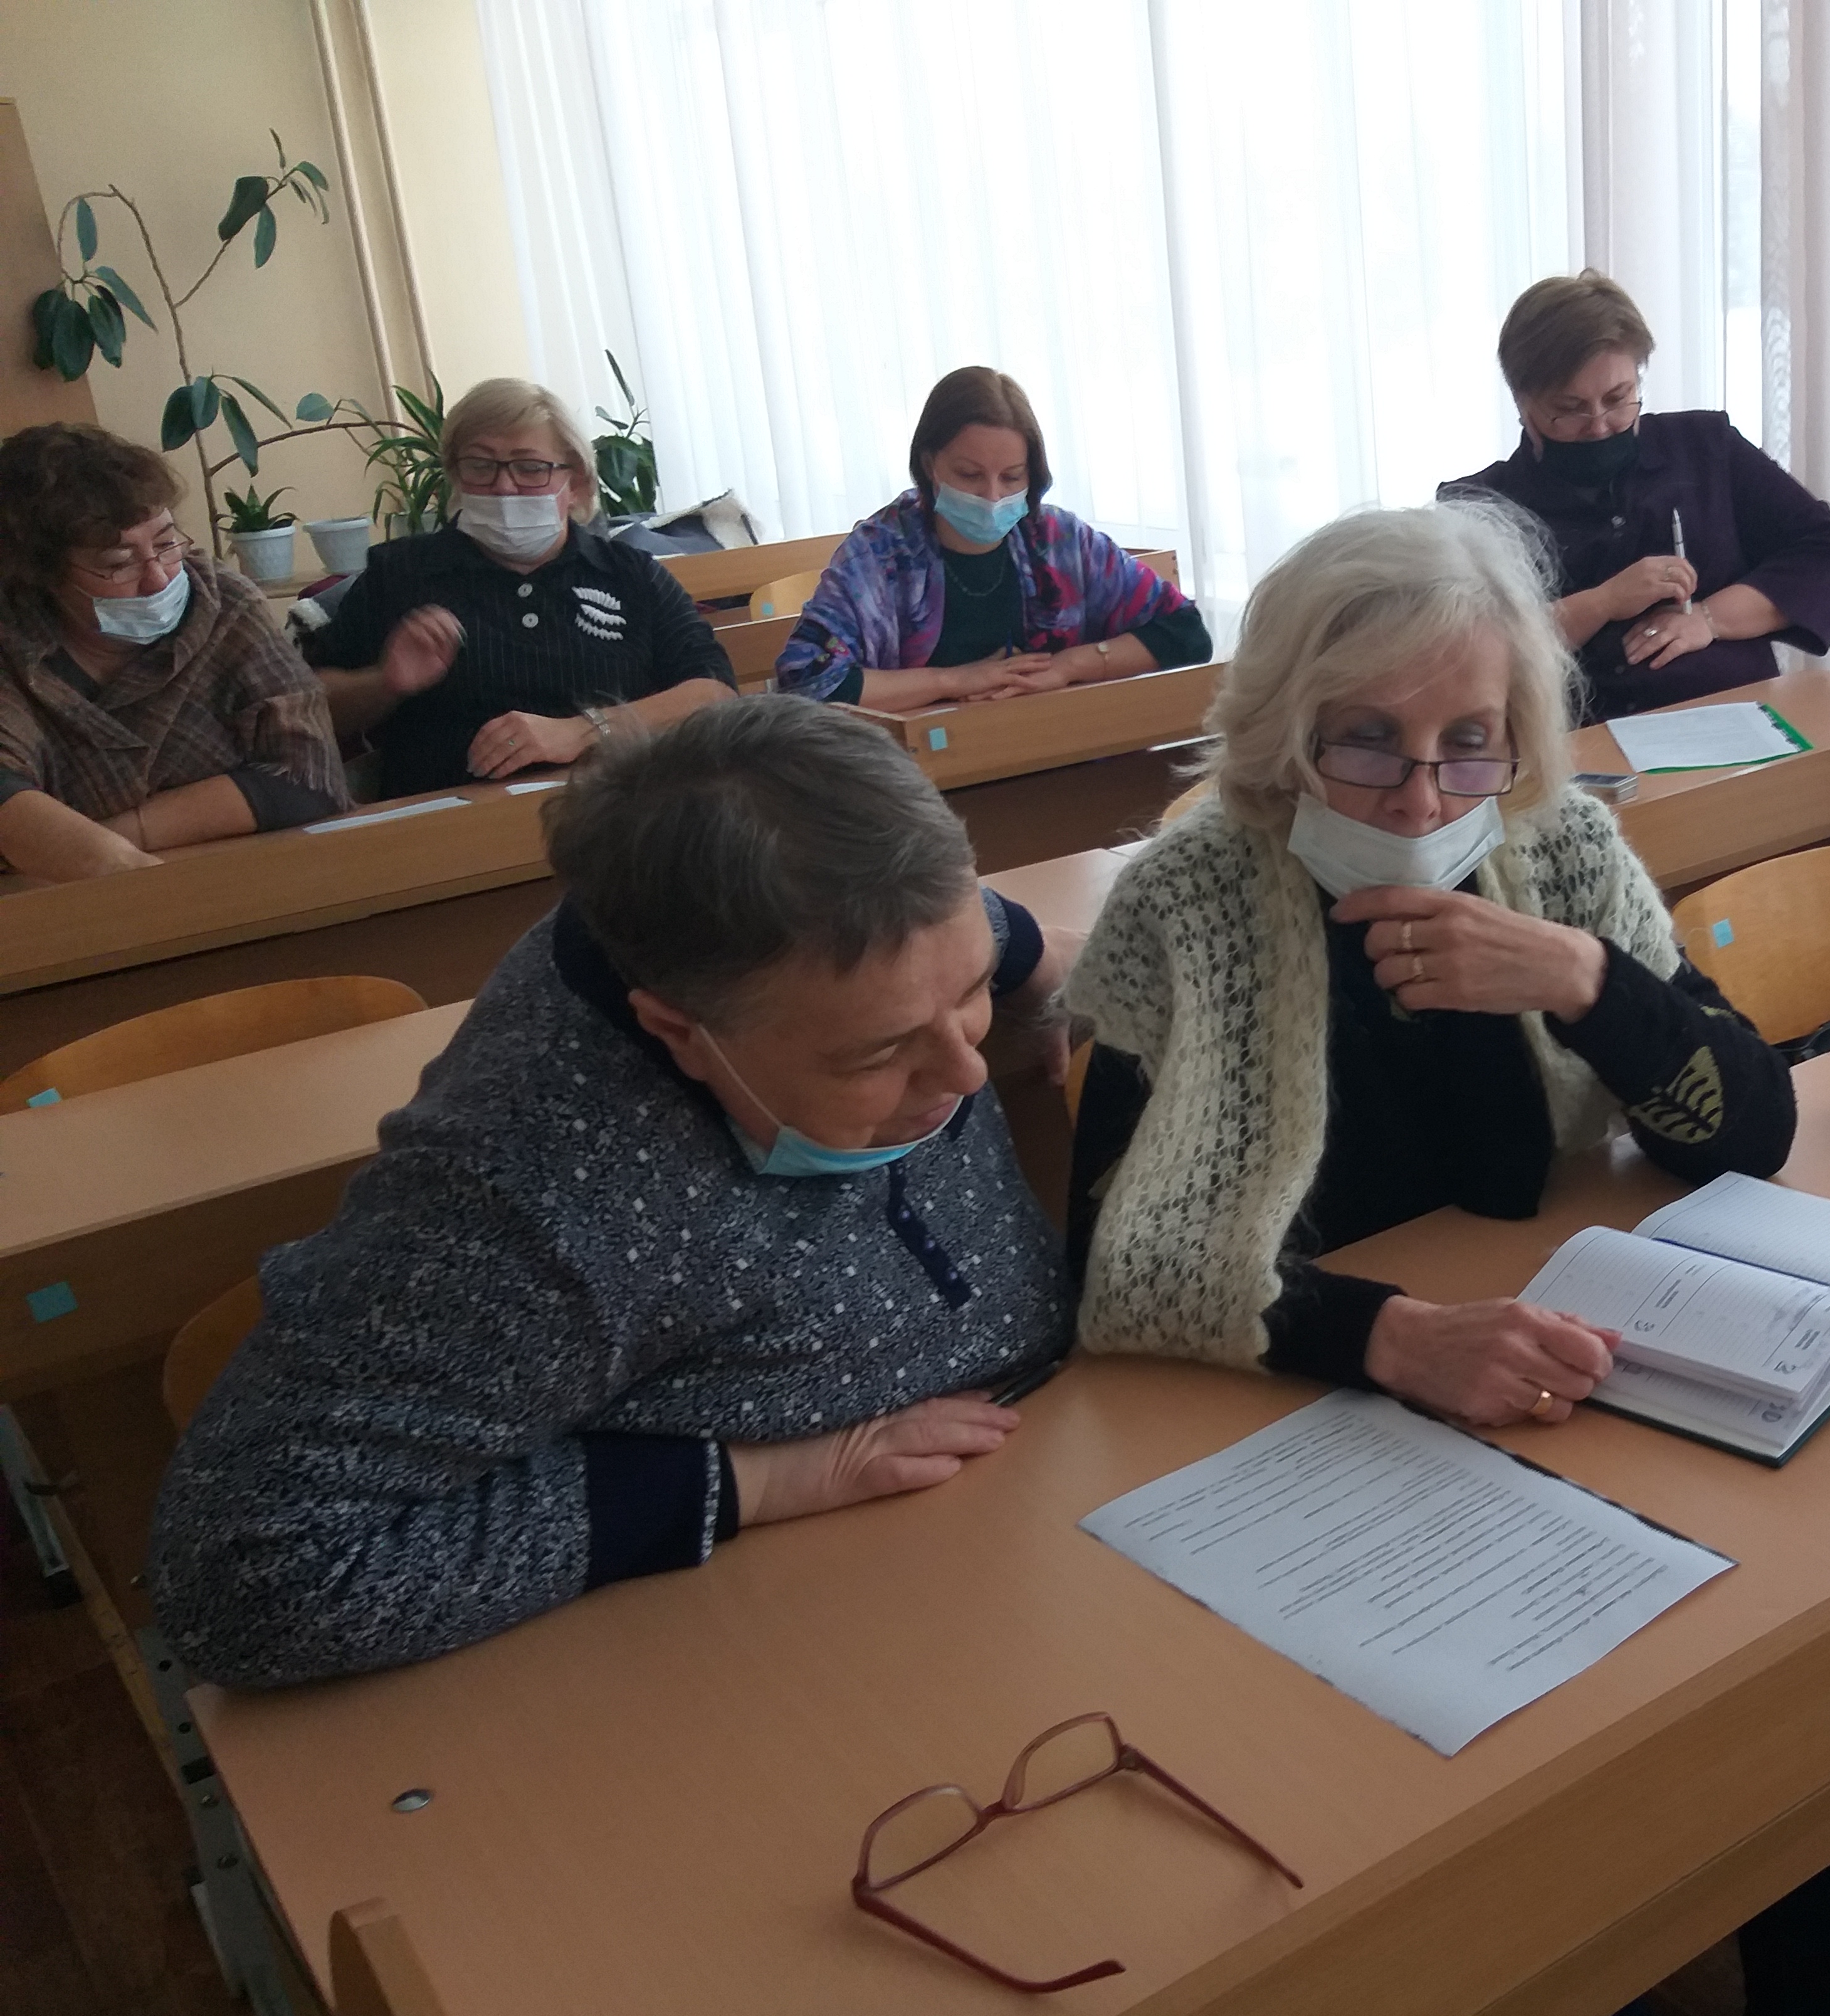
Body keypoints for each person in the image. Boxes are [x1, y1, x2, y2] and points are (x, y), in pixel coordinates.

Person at [1063, 500, 1830, 2016]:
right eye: (1365, 745)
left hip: (1547, 1357)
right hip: (1292, 1409)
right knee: (1508, 1770)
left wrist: (1590, 985)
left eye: (1471, 741)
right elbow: (1116, 1264)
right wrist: (1391, 1338)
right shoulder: (1193, 899)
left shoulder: (1560, 847)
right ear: (1282, 730)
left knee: (1769, 1624)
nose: (1423, 798)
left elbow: (1745, 1129)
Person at [148, 697, 1076, 1690]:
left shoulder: (862, 918)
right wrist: (761, 1481)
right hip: (790, 1622)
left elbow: (973, 940)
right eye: (878, 1055)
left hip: (1052, 1466)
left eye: (968, 991)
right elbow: (247, 1581)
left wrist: (1030, 974)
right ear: (679, 1030)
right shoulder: (529, 1199)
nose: (964, 1073)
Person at [1443, 271, 1830, 721]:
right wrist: (1602, 603)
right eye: (1570, 409)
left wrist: (1709, 620)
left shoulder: (1706, 446)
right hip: (1579, 742)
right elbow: (1465, 651)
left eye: (1618, 398)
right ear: (1523, 404)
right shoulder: (1481, 505)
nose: (1600, 426)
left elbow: (1826, 555)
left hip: (1735, 724)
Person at [306, 377, 736, 798]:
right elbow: (306, 708)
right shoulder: (400, 573)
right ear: (455, 475)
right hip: (447, 821)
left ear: (576, 483)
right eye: (480, 466)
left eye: (530, 468)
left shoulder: (630, 575)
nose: (504, 486)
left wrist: (583, 731)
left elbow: (713, 692)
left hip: (614, 811)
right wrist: (383, 682)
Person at [0, 423, 349, 882]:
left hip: (257, 875)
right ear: (41, 575)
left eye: (167, 544)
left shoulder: (225, 605)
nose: (159, 579)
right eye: (119, 563)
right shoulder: (13, 640)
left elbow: (309, 777)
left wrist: (117, 841)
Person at [775, 366, 1209, 714]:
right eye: (970, 475)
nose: (992, 496)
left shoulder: (1060, 542)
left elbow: (1186, 634)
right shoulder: (880, 555)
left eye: (1012, 477)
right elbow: (807, 682)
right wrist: (951, 681)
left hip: (1063, 750)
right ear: (929, 465)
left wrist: (1068, 666)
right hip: (921, 776)